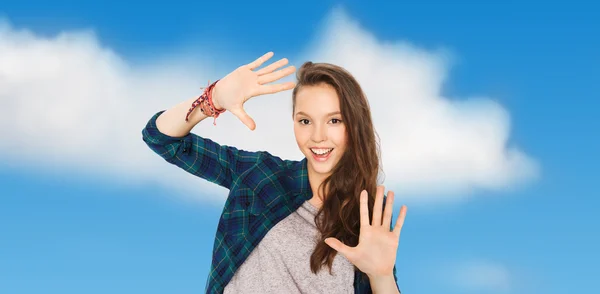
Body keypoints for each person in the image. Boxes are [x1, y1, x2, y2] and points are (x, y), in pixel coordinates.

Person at [142, 52, 407, 294]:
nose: (317, 136)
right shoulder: (260, 175)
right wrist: (213, 98)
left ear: (354, 124)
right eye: (305, 121)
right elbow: (161, 139)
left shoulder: (367, 214)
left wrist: (382, 276)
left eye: (334, 120)